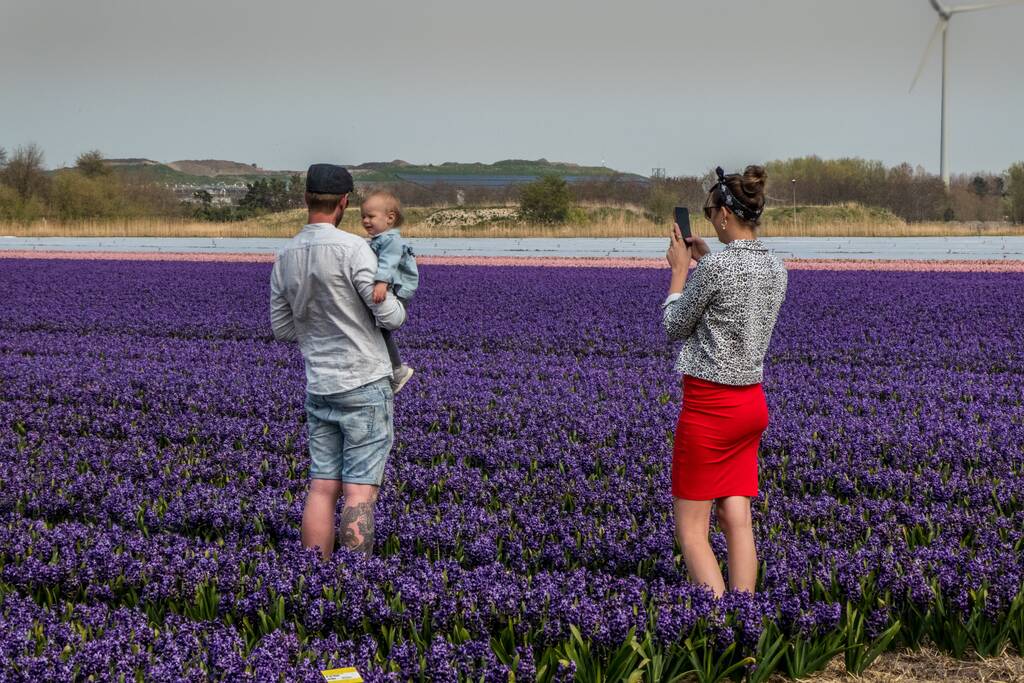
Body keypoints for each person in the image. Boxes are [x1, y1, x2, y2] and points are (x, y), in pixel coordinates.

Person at [270, 163, 407, 560]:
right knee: (360, 489)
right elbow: (389, 315)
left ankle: (315, 579)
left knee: (322, 486)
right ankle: (351, 583)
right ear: (344, 203)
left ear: (306, 199)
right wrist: (394, 304)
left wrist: (320, 331)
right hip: (364, 382)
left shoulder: (286, 255)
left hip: (320, 385)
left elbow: (282, 328)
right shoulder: (355, 249)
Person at [662, 165, 788, 596]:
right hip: (750, 406)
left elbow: (674, 325)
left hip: (709, 409)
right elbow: (739, 284)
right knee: (736, 517)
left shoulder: (717, 270)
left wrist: (681, 271)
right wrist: (706, 259)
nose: (710, 217)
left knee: (692, 530)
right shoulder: (775, 266)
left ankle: (716, 625)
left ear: (724, 216)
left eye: (710, 209)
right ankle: (746, 619)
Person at [360, 190, 418, 393]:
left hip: (399, 291)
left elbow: (388, 263)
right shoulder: (379, 239)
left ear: (390, 218)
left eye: (371, 216)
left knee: (381, 330)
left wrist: (381, 283)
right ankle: (390, 369)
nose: (366, 221)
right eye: (363, 217)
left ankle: (397, 370)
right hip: (392, 288)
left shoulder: (391, 240)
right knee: (377, 330)